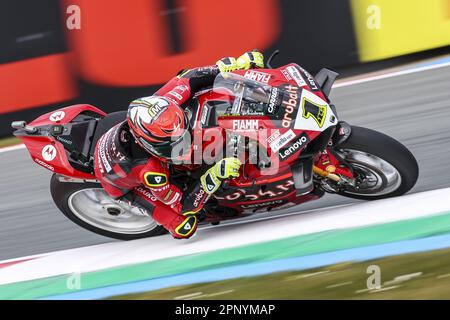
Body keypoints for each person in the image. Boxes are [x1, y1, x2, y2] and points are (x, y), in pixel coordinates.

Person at [93, 50, 265, 239]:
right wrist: (215, 174)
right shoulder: (151, 173)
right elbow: (182, 204)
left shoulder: (164, 103)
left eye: (182, 133)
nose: (183, 143)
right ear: (149, 145)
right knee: (184, 227)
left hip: (118, 132)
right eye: (173, 142)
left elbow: (189, 78)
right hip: (119, 182)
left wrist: (229, 67)